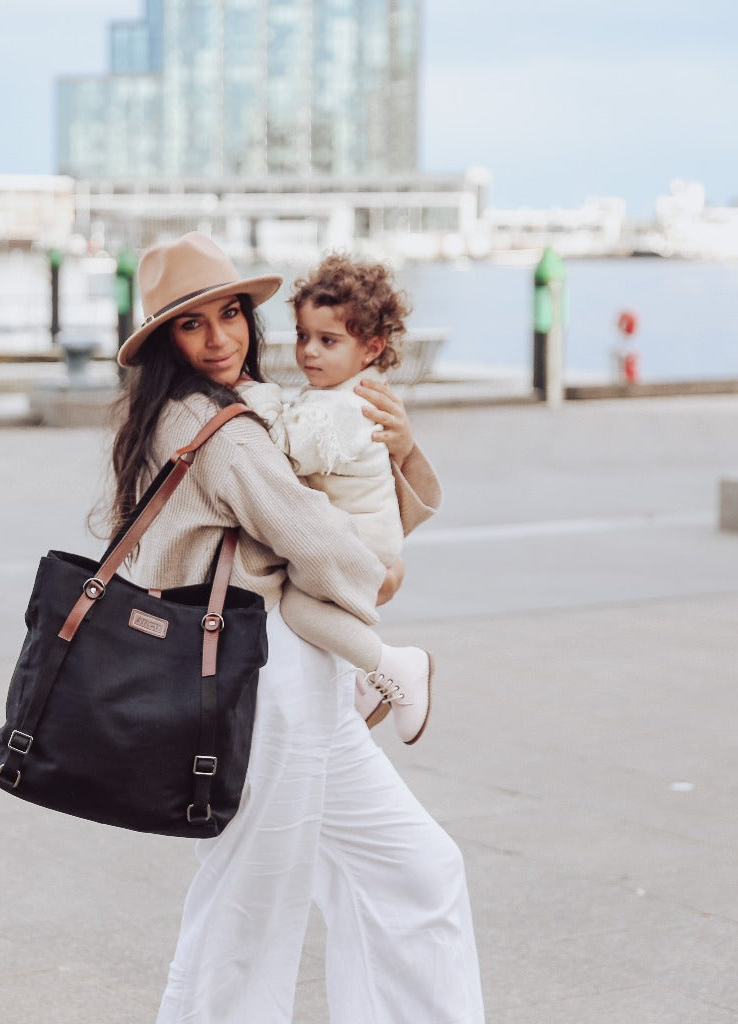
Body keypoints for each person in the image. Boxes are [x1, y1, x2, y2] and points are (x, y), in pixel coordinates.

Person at [110, 232, 484, 1024]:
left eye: (230, 314)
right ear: (166, 342)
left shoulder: (247, 411)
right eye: (193, 324)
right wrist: (375, 593)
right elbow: (320, 541)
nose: (220, 338)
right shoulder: (211, 427)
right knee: (249, 912)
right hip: (258, 686)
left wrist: (403, 451)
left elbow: (337, 520)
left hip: (303, 676)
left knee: (417, 871)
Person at [236, 253, 434, 742]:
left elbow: (286, 446)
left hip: (357, 540)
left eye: (328, 341)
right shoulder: (345, 393)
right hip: (359, 534)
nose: (308, 352)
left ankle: (394, 666)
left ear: (370, 348)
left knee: (299, 610)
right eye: (303, 336)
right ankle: (366, 687)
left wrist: (254, 393)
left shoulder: (346, 406)